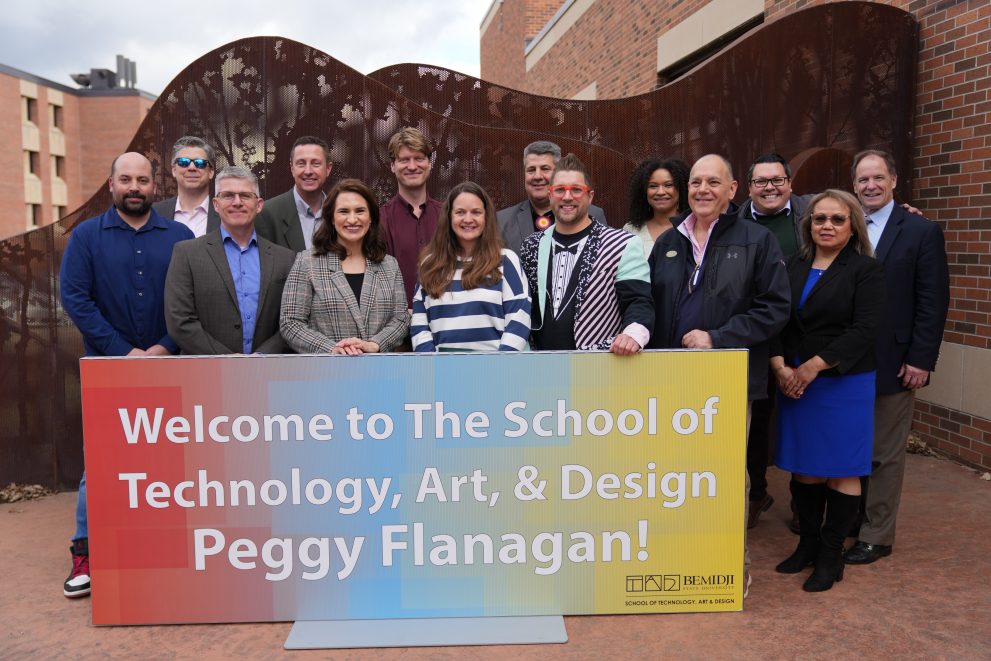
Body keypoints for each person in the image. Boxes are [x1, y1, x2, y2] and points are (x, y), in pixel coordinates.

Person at [647, 153, 791, 596]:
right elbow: (652, 308)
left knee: (725, 474)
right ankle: (680, 559)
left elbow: (776, 308)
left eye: (714, 181)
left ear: (733, 191)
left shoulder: (756, 241)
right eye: (696, 182)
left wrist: (718, 337)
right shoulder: (668, 243)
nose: (703, 189)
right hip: (674, 379)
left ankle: (730, 566)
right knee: (676, 473)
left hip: (727, 379)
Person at [59, 152, 194, 598]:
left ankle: (164, 551)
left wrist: (163, 347)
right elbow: (76, 299)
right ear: (111, 183)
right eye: (125, 180)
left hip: (168, 366)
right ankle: (87, 555)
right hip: (107, 371)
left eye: (142, 180)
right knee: (101, 465)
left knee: (171, 464)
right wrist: (124, 352)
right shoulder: (85, 237)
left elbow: (187, 300)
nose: (134, 187)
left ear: (155, 185)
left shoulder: (178, 236)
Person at [771, 189, 886, 592]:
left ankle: (831, 554)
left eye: (837, 219)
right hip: (796, 381)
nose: (827, 226)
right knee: (806, 468)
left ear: (852, 224)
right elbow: (778, 322)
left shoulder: (865, 270)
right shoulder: (793, 265)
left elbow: (865, 330)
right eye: (819, 218)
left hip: (842, 382)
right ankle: (806, 546)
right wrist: (781, 367)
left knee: (841, 469)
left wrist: (814, 366)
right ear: (809, 224)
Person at [843, 150, 949, 565]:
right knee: (855, 445)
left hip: (896, 359)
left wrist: (921, 359)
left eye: (877, 178)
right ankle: (856, 518)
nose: (870, 185)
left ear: (893, 180)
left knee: (885, 451)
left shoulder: (921, 230)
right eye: (862, 179)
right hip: (848, 361)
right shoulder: (843, 226)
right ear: (854, 185)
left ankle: (877, 534)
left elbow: (933, 300)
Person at [737, 153, 812, 529]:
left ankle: (804, 501)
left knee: (801, 418)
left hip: (802, 334)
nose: (770, 187)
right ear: (748, 188)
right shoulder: (733, 224)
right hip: (756, 334)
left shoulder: (809, 216)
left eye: (777, 180)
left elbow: (856, 216)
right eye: (761, 181)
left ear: (790, 183)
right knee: (755, 421)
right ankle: (755, 494)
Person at [519, 154, 652, 353]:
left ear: (590, 196)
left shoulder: (623, 244)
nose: (567, 197)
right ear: (550, 194)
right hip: (540, 367)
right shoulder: (531, 245)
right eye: (560, 190)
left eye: (576, 190)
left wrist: (633, 334)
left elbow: (638, 301)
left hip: (598, 366)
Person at [164, 166, 296, 354]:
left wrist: (262, 357)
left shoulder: (285, 258)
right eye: (228, 195)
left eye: (245, 195)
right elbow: (180, 321)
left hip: (269, 373)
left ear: (259, 205)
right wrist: (227, 360)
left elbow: (292, 320)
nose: (237, 202)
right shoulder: (186, 254)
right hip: (206, 375)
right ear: (216, 205)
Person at [280, 179, 410, 354]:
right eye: (343, 211)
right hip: (326, 373)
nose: (352, 219)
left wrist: (374, 344)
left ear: (371, 217)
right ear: (332, 219)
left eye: (360, 211)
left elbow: (401, 320)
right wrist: (332, 348)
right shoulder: (307, 262)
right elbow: (291, 323)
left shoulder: (389, 265)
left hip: (380, 372)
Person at [411, 182, 531, 352]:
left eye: (476, 212)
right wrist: (432, 368)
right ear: (449, 217)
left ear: (486, 217)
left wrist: (502, 366)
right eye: (460, 212)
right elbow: (419, 326)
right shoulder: (430, 265)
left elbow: (519, 318)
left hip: (495, 370)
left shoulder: (505, 261)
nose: (468, 219)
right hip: (442, 372)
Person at [498, 140, 607, 256]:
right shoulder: (502, 221)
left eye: (545, 169)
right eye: (531, 170)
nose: (537, 176)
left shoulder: (592, 214)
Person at [379, 127, 443, 305]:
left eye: (419, 159)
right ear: (393, 165)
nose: (413, 166)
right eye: (404, 160)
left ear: (429, 163)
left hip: (447, 324)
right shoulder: (379, 221)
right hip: (398, 326)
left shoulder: (449, 216)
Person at [255, 136, 332, 252]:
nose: (308, 171)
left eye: (316, 164)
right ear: (292, 169)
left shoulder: (341, 211)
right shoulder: (267, 214)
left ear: (328, 169)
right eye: (301, 164)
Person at [152, 135, 221, 237]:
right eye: (183, 162)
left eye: (200, 163)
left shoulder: (224, 212)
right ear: (174, 170)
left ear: (211, 172)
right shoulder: (154, 213)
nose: (192, 168)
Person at [623, 157, 689, 256]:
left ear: (681, 188)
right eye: (653, 186)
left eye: (668, 185)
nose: (660, 192)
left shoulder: (693, 227)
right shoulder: (631, 230)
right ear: (644, 191)